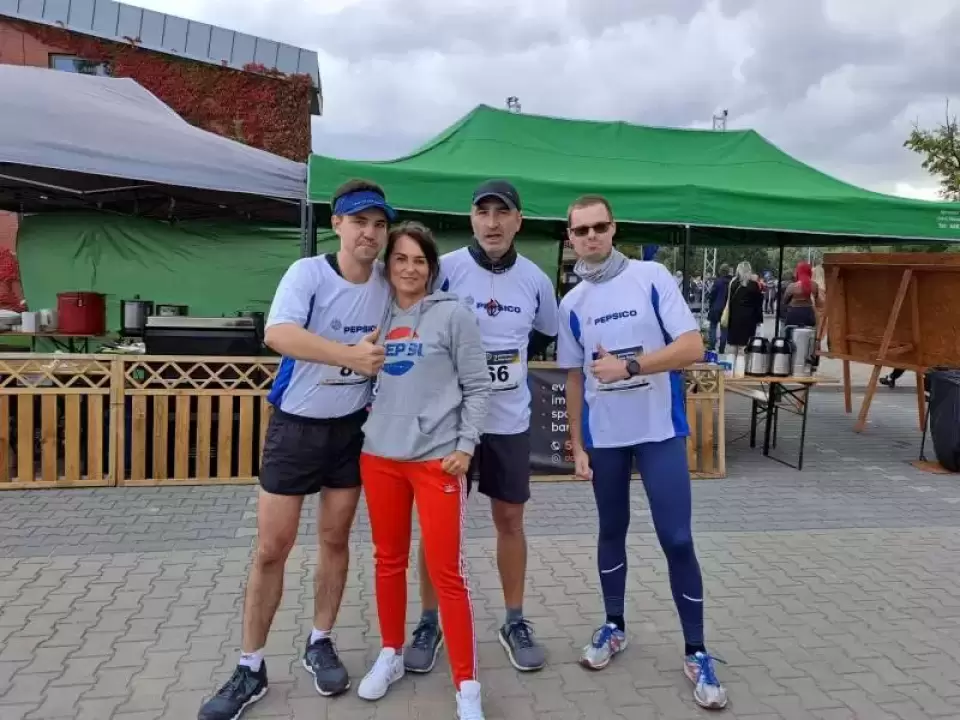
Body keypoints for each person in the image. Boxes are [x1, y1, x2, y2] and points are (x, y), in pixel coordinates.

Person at [198, 179, 394, 720]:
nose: (370, 234)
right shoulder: (308, 273)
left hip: (351, 430)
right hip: (296, 427)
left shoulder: (387, 281)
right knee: (272, 549)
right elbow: (278, 334)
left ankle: (320, 641)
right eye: (360, 222)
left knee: (335, 541)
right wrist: (348, 356)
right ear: (337, 224)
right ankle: (250, 666)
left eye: (379, 225)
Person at [556, 194, 727, 710]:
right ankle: (614, 626)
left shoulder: (651, 277)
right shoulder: (572, 303)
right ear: (571, 238)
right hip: (606, 438)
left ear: (614, 229)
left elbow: (692, 347)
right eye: (581, 230)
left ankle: (696, 651)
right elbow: (573, 378)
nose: (591, 236)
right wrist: (577, 444)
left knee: (677, 538)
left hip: (658, 431)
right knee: (611, 531)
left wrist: (630, 367)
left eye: (599, 227)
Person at [403, 180, 559, 675]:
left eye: (502, 213)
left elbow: (542, 335)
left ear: (518, 220)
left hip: (508, 423)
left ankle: (514, 620)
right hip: (450, 427)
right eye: (483, 212)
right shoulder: (444, 270)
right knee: (438, 525)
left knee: (510, 521)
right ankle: (429, 621)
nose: (492, 223)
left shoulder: (536, 280)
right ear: (471, 218)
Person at [356, 221, 491, 718]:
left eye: (419, 260)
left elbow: (478, 387)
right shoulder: (377, 311)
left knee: (446, 571)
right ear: (388, 265)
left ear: (432, 268)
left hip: (437, 459)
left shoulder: (453, 314)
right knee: (388, 561)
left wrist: (466, 447)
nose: (409, 269)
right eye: (400, 259)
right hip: (380, 457)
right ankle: (391, 652)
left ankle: (466, 684)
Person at [724, 261, 764, 353]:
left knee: (732, 345)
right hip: (749, 320)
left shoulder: (732, 283)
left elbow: (727, 300)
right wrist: (759, 320)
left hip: (734, 318)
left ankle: (731, 362)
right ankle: (741, 362)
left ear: (738, 270)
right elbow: (758, 304)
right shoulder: (754, 285)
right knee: (744, 347)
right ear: (749, 271)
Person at [781, 260, 823, 329]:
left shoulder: (792, 286)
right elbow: (816, 300)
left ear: (798, 272)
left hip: (793, 313)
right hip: (808, 314)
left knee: (788, 331)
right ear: (809, 272)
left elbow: (785, 301)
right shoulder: (814, 285)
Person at [706, 264, 731, 352]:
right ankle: (722, 347)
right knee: (724, 329)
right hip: (726, 309)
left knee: (713, 327)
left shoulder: (717, 281)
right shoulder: (731, 282)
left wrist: (710, 304)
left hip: (715, 307)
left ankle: (712, 345)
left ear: (720, 271)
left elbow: (712, 294)